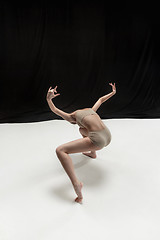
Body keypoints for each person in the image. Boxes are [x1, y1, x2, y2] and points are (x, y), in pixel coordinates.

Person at [46, 82, 116, 204]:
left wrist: (49, 99)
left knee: (60, 150)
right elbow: (100, 100)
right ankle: (93, 153)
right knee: (82, 129)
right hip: (107, 135)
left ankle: (76, 183)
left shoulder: (73, 116)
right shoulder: (91, 111)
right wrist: (113, 92)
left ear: (73, 121)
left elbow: (56, 110)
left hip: (98, 140)